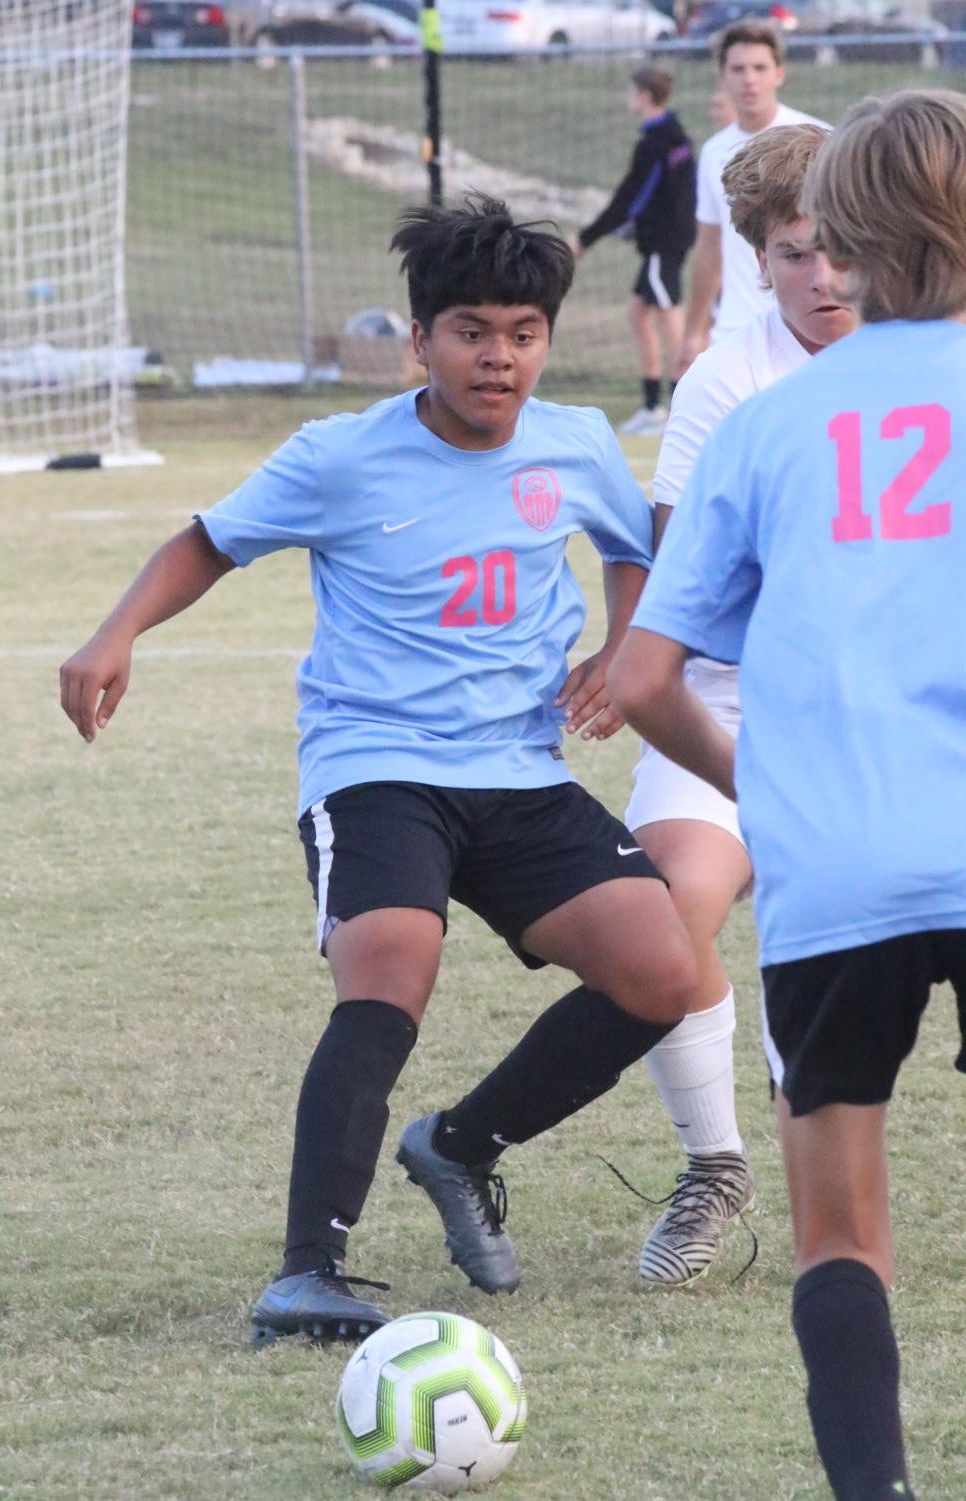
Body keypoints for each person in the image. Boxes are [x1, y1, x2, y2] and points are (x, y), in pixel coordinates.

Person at [59, 194, 696, 1345]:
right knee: (390, 967)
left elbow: (634, 546)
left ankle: (458, 1145)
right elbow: (206, 542)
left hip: (517, 767)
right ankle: (307, 1271)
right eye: (467, 330)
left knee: (662, 969)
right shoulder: (340, 455)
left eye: (519, 331)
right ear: (418, 342)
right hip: (375, 764)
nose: (494, 355)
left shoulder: (577, 443)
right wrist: (114, 635)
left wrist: (620, 648)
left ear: (544, 341)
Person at [609, 88, 966, 1501]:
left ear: (851, 232)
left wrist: (777, 782)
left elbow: (640, 680)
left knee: (839, 1233)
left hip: (836, 871)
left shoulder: (770, 422)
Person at [627, 124, 856, 1287]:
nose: (824, 278)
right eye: (795, 255)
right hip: (722, 709)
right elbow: (681, 594)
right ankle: (712, 1167)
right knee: (665, 917)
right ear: (757, 263)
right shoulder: (726, 383)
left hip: (873, 721)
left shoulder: (925, 358)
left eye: (841, 250)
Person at [678, 21, 825, 373]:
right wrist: (693, 331)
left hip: (802, 329)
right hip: (735, 329)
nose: (749, 79)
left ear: (779, 74)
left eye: (760, 68)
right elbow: (709, 248)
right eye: (738, 69)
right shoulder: (714, 152)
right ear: (723, 76)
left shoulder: (819, 141)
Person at [572, 66, 696, 437]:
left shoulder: (658, 142)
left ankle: (682, 406)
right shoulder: (675, 137)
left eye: (630, 92)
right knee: (639, 313)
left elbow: (628, 199)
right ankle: (652, 405)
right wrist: (636, 226)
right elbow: (653, 197)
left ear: (644, 96)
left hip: (665, 245)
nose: (628, 99)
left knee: (670, 316)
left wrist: (584, 239)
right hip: (664, 240)